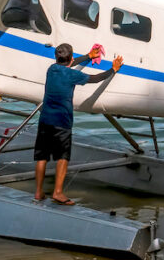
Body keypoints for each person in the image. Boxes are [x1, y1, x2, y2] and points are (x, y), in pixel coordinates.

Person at [34, 43, 123, 205]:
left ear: (57, 57)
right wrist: (113, 69)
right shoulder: (72, 75)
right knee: (62, 157)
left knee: (42, 157)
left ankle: (39, 192)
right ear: (71, 58)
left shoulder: (51, 69)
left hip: (45, 120)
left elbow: (69, 63)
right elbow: (95, 79)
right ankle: (58, 193)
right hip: (62, 122)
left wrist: (88, 56)